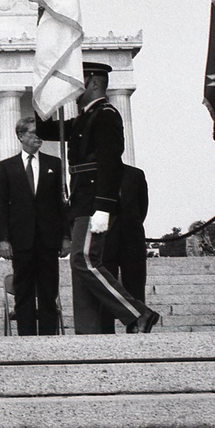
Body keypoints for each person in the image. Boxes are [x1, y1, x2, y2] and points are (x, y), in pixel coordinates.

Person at [34, 62, 160, 335]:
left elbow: (110, 163)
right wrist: (44, 89)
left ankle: (137, 313)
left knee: (84, 260)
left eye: (80, 82)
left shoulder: (106, 115)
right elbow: (44, 130)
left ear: (93, 83)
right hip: (82, 202)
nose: (75, 89)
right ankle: (89, 333)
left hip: (94, 203)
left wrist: (104, 207)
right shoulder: (83, 118)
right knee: (81, 270)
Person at [0, 116, 71, 336]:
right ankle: (26, 340)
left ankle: (49, 339)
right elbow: (2, 205)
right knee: (24, 291)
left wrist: (65, 236)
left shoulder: (54, 163)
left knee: (48, 291)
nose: (39, 137)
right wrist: (3, 239)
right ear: (21, 136)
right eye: (33, 132)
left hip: (48, 239)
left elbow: (61, 203)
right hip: (21, 239)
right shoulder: (7, 166)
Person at [101, 164, 150, 333]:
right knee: (107, 284)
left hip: (132, 236)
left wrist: (130, 224)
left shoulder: (136, 174)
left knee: (135, 283)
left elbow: (142, 206)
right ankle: (106, 330)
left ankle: (136, 326)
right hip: (107, 238)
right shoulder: (97, 172)